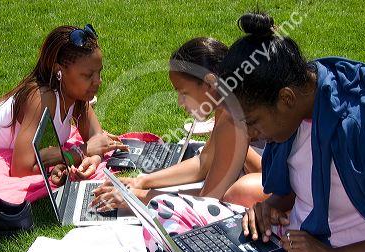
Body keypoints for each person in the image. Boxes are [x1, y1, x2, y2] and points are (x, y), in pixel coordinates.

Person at [135, 12, 365, 252]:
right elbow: (299, 189)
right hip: (292, 244)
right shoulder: (297, 105)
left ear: (286, 99)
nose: (251, 134)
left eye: (252, 123)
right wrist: (267, 207)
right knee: (163, 209)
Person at [90, 37, 267, 213]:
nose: (180, 102)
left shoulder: (230, 118)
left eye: (184, 93)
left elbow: (208, 200)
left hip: (271, 193)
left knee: (236, 192)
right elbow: (203, 163)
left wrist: (139, 197)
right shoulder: (225, 107)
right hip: (263, 177)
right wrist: (142, 182)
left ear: (210, 83)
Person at [0, 24, 127, 178]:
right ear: (59, 70)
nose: (98, 81)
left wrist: (94, 157)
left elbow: (97, 138)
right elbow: (21, 169)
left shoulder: (77, 94)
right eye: (88, 75)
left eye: (99, 72)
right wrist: (80, 152)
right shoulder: (42, 99)